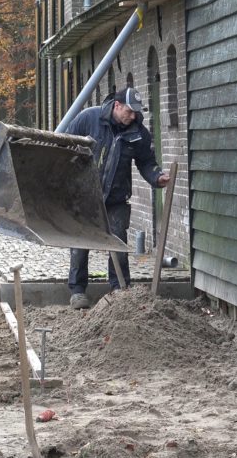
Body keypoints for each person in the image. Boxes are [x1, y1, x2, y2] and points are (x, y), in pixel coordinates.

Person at [67, 87, 170, 309]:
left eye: (135, 112)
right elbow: (65, 143)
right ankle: (77, 292)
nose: (132, 116)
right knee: (80, 242)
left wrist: (157, 176)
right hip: (85, 195)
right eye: (129, 111)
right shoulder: (89, 119)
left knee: (118, 242)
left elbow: (146, 162)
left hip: (116, 198)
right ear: (117, 105)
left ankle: (119, 290)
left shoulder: (138, 132)